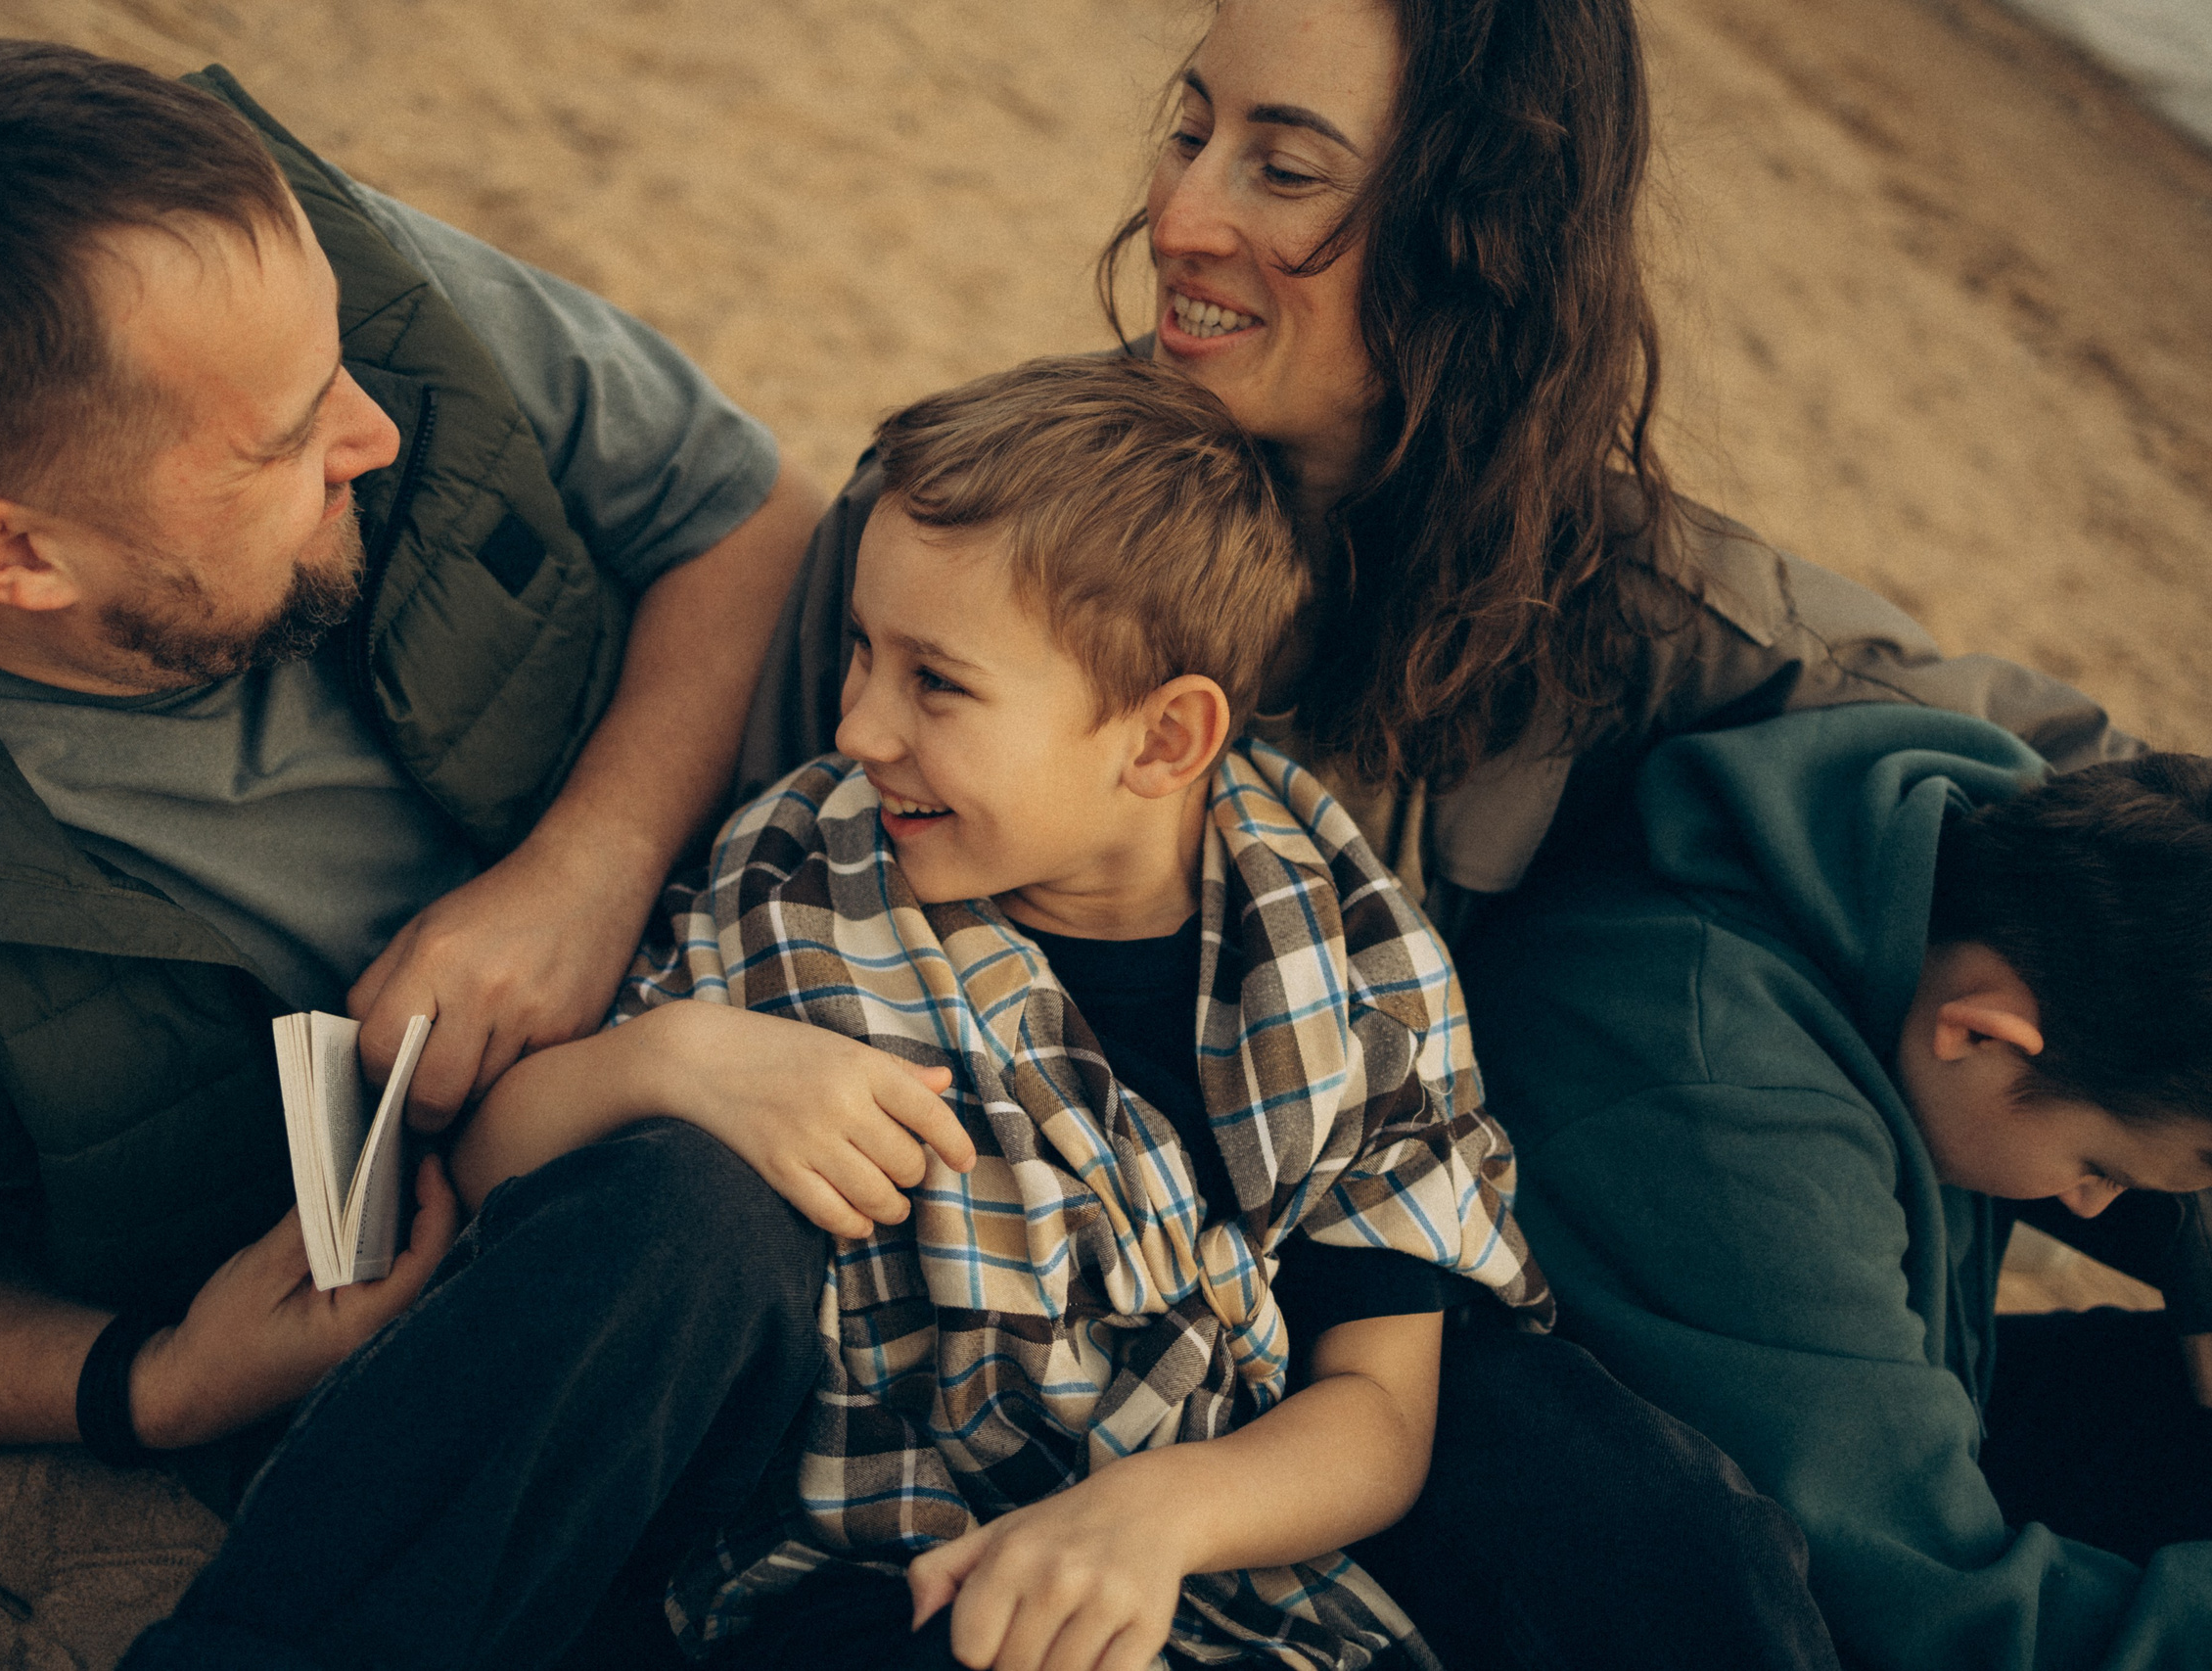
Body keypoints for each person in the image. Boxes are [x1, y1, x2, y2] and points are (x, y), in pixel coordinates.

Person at [736, 1, 2148, 1662]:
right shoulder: (991, 526)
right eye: (1194, 132)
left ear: (1478, 231)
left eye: (1284, 168)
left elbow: (2082, 800)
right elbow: (754, 862)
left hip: (1360, 1326)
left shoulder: (1625, 605)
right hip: (964, 1276)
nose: (1183, 218)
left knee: (1686, 1555)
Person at [0, 34, 841, 1664]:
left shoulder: (288, 289)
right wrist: (145, 1379)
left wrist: (583, 871)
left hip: (793, 1003)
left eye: (341, 366)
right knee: (682, 1237)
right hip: (526, 1292)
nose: (375, 428)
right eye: (285, 441)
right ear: (13, 552)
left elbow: (748, 515)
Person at [438, 355, 1553, 1671]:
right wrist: (669, 1058)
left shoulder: (1353, 974)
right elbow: (498, 1174)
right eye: (861, 649)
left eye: (937, 683)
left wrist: (1152, 1514)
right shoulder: (796, 879)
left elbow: (1377, 1409)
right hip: (840, 1565)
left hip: (1170, 1576)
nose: (857, 725)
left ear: (1161, 740)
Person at [1454, 704, 2212, 1670]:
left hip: (1855, 1405)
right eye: (2098, 1171)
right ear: (1979, 1032)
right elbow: (1947, 1614)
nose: (2094, 1206)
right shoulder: (1729, 1109)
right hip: (1623, 1560)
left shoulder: (1991, 857)